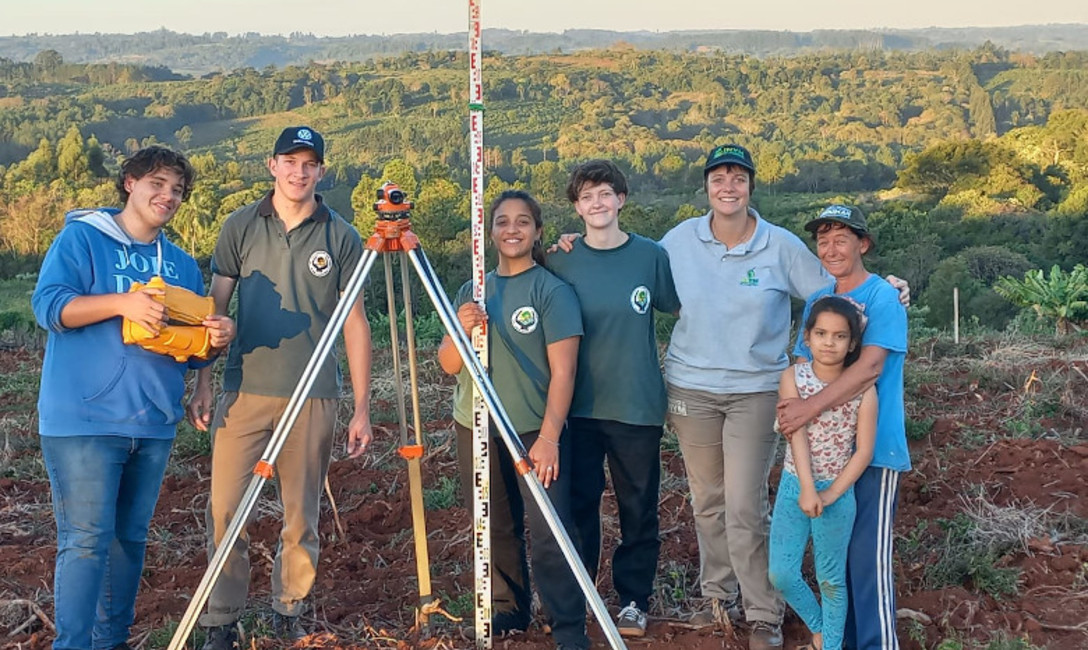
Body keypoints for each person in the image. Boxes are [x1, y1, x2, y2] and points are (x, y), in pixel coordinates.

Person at [659, 145, 909, 650]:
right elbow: (635, 269)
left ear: (752, 186)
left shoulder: (780, 245)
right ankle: (718, 598)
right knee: (707, 501)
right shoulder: (679, 239)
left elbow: (837, 292)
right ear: (705, 186)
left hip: (757, 391)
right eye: (718, 178)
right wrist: (574, 247)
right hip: (692, 387)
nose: (728, 187)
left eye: (738, 178)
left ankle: (764, 613)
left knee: (745, 505)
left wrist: (887, 286)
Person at [32, 146, 234, 650]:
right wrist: (122, 303)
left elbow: (191, 348)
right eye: (157, 184)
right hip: (85, 420)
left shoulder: (181, 265)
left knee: (128, 541)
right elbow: (50, 306)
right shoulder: (83, 239)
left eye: (177, 190)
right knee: (85, 542)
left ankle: (112, 640)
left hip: (152, 422)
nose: (168, 196)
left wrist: (215, 341)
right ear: (130, 183)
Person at [191, 126, 373, 649]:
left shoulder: (341, 235)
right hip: (244, 390)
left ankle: (289, 610)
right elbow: (215, 311)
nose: (299, 172)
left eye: (309, 163)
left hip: (313, 394)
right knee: (226, 511)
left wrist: (361, 407)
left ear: (321, 171)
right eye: (289, 161)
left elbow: (355, 322)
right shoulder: (240, 225)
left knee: (302, 514)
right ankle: (221, 618)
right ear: (272, 165)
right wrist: (204, 380)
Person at [440, 190, 589, 650]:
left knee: (549, 530)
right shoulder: (473, 290)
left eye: (522, 221)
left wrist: (549, 437)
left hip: (531, 428)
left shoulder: (551, 291)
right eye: (502, 221)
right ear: (489, 232)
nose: (512, 230)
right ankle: (508, 608)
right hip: (476, 423)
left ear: (537, 231)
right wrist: (460, 328)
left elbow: (564, 372)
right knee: (494, 523)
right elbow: (448, 364)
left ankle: (567, 624)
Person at [546, 160, 680, 638]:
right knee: (580, 506)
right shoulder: (560, 260)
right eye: (586, 196)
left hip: (635, 406)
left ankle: (633, 601)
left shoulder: (651, 256)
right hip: (578, 407)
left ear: (621, 199)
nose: (597, 203)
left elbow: (682, 310)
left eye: (605, 193)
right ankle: (580, 596)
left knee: (638, 509)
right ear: (576, 207)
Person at [777, 205, 909, 650]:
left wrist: (805, 409)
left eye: (841, 240)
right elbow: (802, 372)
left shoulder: (883, 297)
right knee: (833, 566)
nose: (831, 249)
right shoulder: (819, 301)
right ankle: (835, 640)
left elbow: (870, 368)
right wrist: (797, 412)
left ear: (863, 244)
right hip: (819, 457)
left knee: (867, 563)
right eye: (823, 241)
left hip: (873, 449)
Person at [768, 296, 877, 650]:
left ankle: (830, 645)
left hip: (838, 493)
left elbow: (863, 451)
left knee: (830, 580)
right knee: (781, 573)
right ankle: (820, 629)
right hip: (794, 484)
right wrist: (807, 487)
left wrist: (830, 493)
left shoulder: (864, 391)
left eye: (840, 336)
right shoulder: (793, 378)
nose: (829, 342)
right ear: (807, 337)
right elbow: (795, 432)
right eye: (821, 334)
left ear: (853, 343)